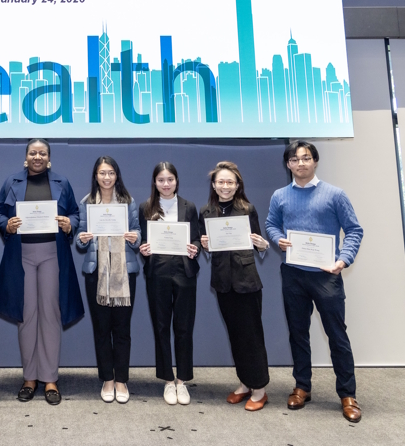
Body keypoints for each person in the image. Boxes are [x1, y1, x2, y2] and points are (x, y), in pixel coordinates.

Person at [264, 140, 365, 423]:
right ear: (288, 164)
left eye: (306, 158)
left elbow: (354, 230)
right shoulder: (280, 195)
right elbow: (271, 223)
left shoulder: (335, 194)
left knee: (337, 336)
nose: (301, 164)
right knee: (298, 334)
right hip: (293, 274)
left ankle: (347, 394)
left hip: (326, 275)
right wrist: (277, 238)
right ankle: (302, 387)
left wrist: (342, 260)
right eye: (295, 160)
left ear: (315, 161)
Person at [0, 139, 83, 405]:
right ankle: (30, 377)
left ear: (49, 158)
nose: (37, 156)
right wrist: (7, 225)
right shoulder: (12, 182)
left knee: (51, 315)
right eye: (33, 152)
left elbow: (75, 213)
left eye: (42, 153)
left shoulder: (62, 183)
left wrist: (69, 224)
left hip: (53, 255)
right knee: (26, 315)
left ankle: (50, 378)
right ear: (26, 157)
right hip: (22, 256)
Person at [198, 161, 271, 412]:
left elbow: (259, 245)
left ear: (237, 185)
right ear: (214, 185)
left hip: (246, 281)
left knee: (251, 336)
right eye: (221, 182)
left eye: (230, 182)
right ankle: (244, 383)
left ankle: (260, 389)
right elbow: (207, 249)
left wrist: (262, 245)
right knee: (235, 336)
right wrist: (205, 246)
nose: (225, 186)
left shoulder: (247, 209)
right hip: (222, 282)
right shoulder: (206, 212)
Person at [75, 156, 142, 404]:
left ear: (117, 175)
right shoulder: (86, 203)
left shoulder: (128, 202)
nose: (106, 177)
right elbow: (80, 240)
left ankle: (122, 379)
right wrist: (82, 239)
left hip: (125, 273)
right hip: (96, 273)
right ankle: (108, 379)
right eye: (102, 173)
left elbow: (138, 231)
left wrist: (133, 237)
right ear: (95, 176)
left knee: (122, 329)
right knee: (102, 329)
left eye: (111, 173)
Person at [138, 161, 200, 406]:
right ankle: (167, 379)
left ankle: (182, 381)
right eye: (161, 180)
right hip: (158, 272)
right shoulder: (146, 207)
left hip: (184, 272)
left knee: (184, 328)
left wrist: (194, 247)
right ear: (155, 182)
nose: (166, 184)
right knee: (161, 327)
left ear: (176, 181)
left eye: (170, 179)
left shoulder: (189, 206)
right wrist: (143, 248)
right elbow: (142, 240)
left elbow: (194, 236)